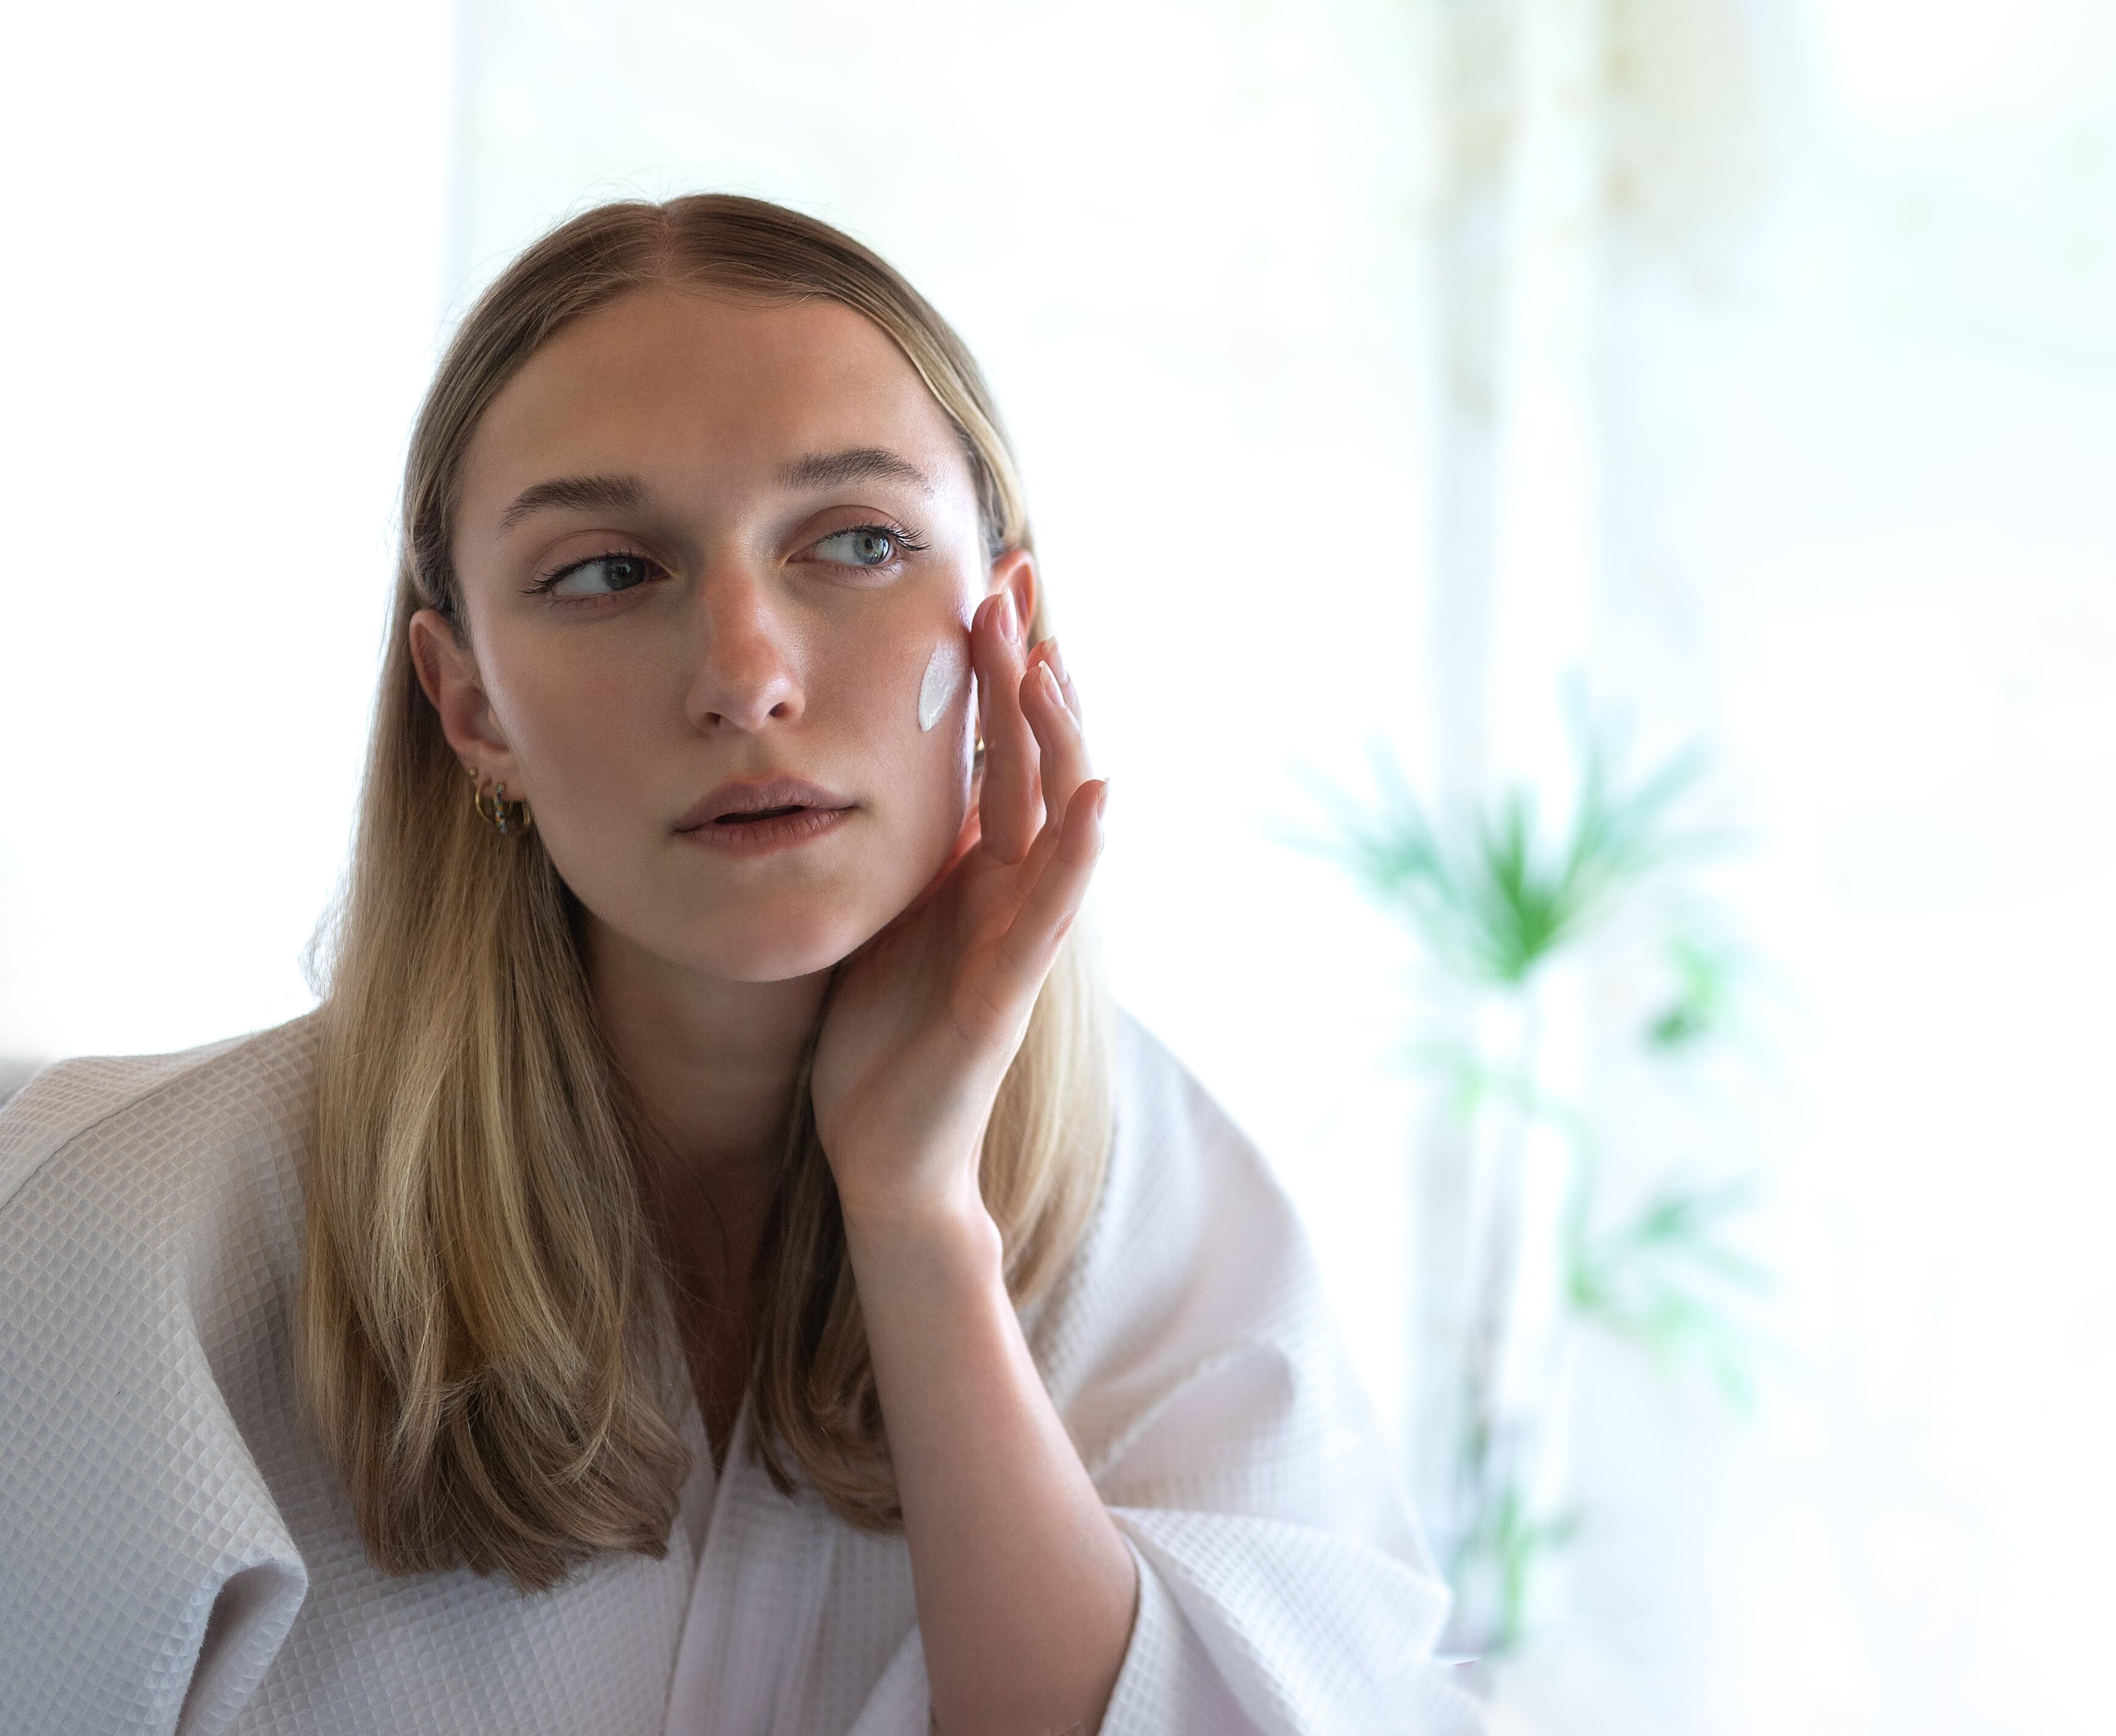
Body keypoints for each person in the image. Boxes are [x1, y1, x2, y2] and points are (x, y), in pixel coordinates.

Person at [0, 195, 1477, 1736]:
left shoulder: (1150, 1191)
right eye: (605, 572)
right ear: (470, 707)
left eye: (856, 541)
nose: (746, 675)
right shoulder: (121, 1245)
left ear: (1006, 629)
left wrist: (916, 1211)